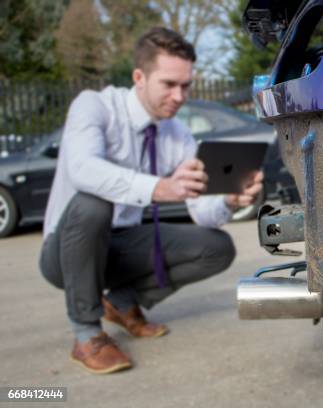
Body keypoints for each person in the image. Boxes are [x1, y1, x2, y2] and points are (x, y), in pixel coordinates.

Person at [39, 27, 263, 375]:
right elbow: (82, 169)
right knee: (93, 203)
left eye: (186, 86)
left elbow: (201, 211)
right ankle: (86, 334)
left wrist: (229, 201)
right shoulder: (94, 106)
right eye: (169, 84)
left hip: (123, 244)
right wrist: (159, 188)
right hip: (66, 251)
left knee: (217, 247)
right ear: (139, 77)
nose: (179, 96)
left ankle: (121, 303)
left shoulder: (178, 135)